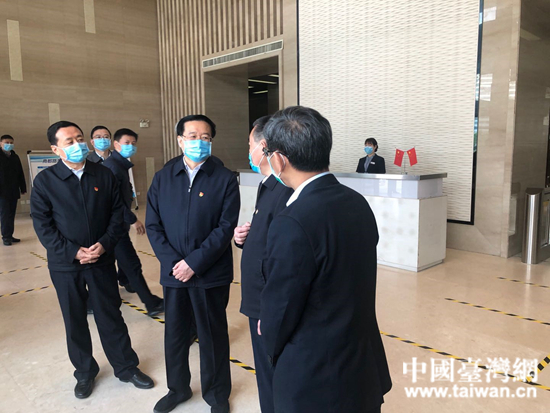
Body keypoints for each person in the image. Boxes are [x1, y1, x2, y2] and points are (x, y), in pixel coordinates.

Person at [259, 106, 392, 413]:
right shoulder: (356, 202)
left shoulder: (292, 220)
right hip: (361, 365)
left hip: (316, 377)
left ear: (278, 159)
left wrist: (269, 343)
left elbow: (281, 308)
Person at [30, 121, 154, 399]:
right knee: (74, 319)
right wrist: (72, 251)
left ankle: (126, 367)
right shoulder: (46, 181)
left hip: (101, 259)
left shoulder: (103, 174)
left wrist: (105, 244)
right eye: (69, 142)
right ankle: (85, 372)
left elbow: (117, 214)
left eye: (79, 138)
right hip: (65, 264)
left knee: (110, 314)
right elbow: (43, 225)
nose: (78, 145)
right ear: (55, 149)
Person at [146, 115, 240, 413]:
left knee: (212, 335)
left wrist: (194, 263)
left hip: (211, 274)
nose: (199, 142)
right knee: (175, 335)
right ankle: (178, 389)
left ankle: (217, 394)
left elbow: (225, 227)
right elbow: (153, 225)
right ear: (180, 140)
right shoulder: (163, 177)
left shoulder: (224, 178)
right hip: (174, 274)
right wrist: (176, 263)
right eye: (193, 136)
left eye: (206, 137)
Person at [233, 116, 293, 413]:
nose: (249, 151)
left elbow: (284, 256)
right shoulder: (266, 185)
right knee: (265, 368)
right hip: (258, 296)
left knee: (272, 370)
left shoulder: (285, 190)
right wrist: (244, 237)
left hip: (267, 301)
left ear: (264, 146)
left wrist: (268, 310)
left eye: (250, 145)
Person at [103, 128, 164, 316]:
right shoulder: (113, 167)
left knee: (120, 262)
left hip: (116, 224)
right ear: (116, 144)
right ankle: (151, 303)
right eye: (127, 143)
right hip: (113, 226)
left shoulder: (119, 165)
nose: (131, 146)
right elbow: (114, 202)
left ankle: (124, 281)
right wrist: (133, 220)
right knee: (131, 264)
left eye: (133, 143)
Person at [0, 134, 27, 246]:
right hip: (2, 192)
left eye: (11, 143)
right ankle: (6, 237)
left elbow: (20, 173)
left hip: (13, 190)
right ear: (1, 143)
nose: (9, 145)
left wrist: (23, 187)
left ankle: (10, 235)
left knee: (11, 214)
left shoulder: (15, 156)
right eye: (6, 142)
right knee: (5, 215)